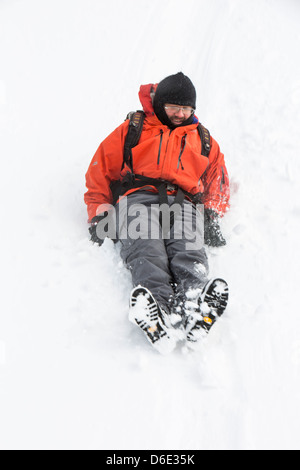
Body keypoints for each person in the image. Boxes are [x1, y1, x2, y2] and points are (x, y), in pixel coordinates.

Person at [84, 72, 230, 354]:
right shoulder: (135, 129)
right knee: (146, 249)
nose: (180, 114)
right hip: (138, 197)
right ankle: (158, 311)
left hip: (184, 202)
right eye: (174, 107)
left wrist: (212, 214)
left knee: (189, 249)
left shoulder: (202, 138)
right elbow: (100, 169)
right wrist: (99, 213)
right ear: (160, 104)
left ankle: (195, 304)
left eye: (186, 109)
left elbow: (218, 179)